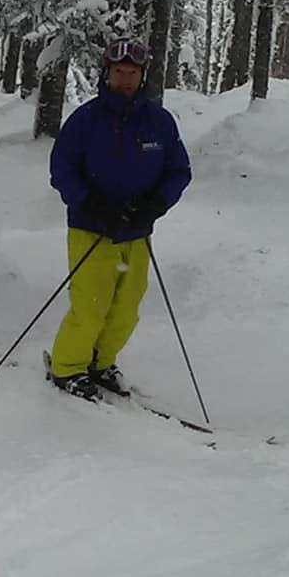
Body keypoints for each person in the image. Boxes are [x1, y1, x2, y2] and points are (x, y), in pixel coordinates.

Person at [48, 37, 192, 401]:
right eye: (119, 72)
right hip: (91, 228)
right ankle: (67, 368)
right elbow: (62, 170)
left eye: (132, 73)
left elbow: (179, 171)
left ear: (142, 76)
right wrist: (92, 204)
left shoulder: (159, 121)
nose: (125, 79)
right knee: (91, 305)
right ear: (107, 74)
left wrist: (155, 204)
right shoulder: (85, 119)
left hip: (137, 232)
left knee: (126, 309)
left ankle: (99, 363)